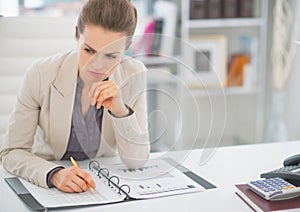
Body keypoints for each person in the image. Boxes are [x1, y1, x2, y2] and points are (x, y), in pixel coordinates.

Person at [0, 0, 150, 193]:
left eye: (111, 56)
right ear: (76, 34)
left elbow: (137, 160)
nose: (97, 65)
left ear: (127, 47)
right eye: (88, 50)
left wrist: (121, 111)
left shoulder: (134, 74)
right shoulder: (40, 74)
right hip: (47, 184)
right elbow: (11, 152)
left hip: (103, 186)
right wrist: (53, 174)